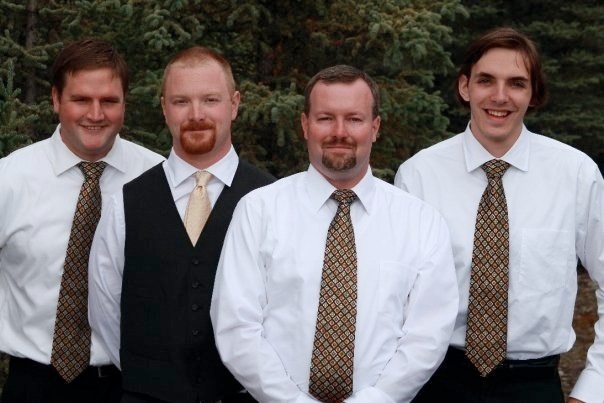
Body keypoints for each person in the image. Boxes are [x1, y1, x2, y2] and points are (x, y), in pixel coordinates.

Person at [210, 64, 458, 402]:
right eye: (325, 118)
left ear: (374, 127)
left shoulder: (421, 222)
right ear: (305, 125)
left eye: (354, 119)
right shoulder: (259, 211)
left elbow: (427, 336)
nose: (339, 132)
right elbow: (237, 326)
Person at [395, 27, 604, 403]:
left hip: (533, 385)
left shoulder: (576, 175)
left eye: (517, 83)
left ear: (533, 93)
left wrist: (592, 389)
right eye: (486, 80)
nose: (500, 96)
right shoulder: (418, 175)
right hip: (435, 382)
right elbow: (392, 296)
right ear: (465, 87)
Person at [88, 46, 274, 403]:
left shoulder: (271, 200)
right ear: (164, 108)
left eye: (210, 100)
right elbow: (105, 309)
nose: (196, 114)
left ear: (234, 104)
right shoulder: (127, 202)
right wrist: (152, 376)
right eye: (181, 101)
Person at [0, 39, 164, 403]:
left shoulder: (159, 180)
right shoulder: (9, 180)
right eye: (81, 99)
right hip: (32, 386)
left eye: (109, 100)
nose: (95, 114)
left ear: (124, 104)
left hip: (132, 387)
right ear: (56, 99)